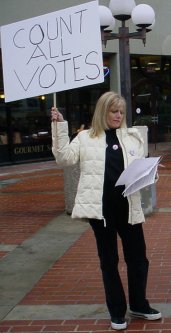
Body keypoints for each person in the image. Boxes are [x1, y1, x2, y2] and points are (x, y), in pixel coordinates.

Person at [51, 91, 162, 331]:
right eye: (114, 111)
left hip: (128, 207)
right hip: (100, 211)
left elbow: (139, 168)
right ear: (103, 111)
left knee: (138, 259)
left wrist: (149, 173)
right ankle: (117, 311)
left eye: (121, 111)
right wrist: (59, 126)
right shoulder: (85, 138)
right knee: (109, 261)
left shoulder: (132, 137)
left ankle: (139, 304)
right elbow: (63, 159)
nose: (118, 115)